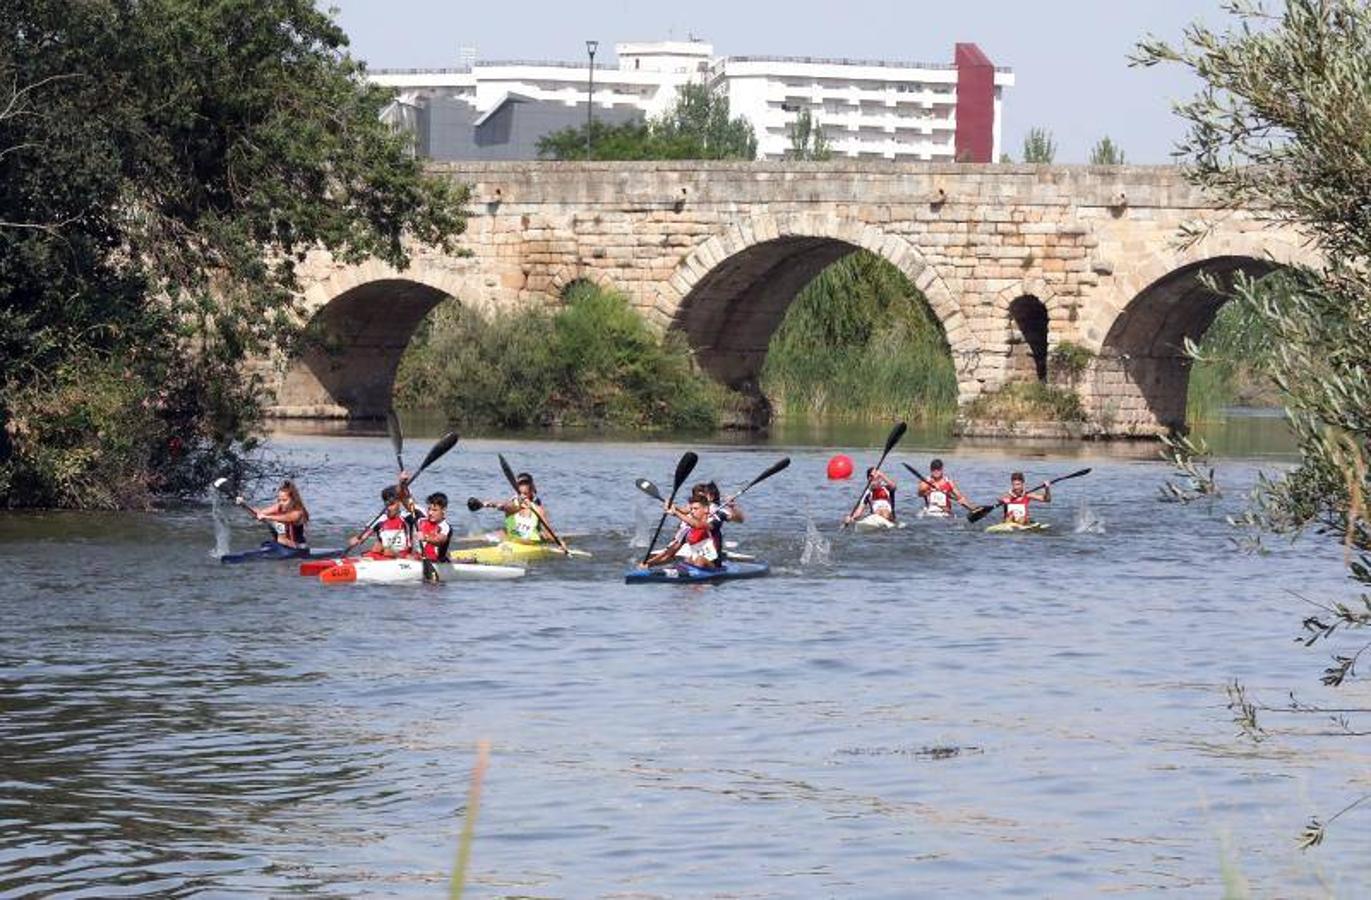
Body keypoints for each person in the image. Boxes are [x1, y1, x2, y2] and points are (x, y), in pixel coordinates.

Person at [642, 489, 719, 569]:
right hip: (696, 564)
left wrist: (675, 512)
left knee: (699, 560)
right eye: (691, 509)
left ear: (706, 509)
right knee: (687, 560)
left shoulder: (713, 523)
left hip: (714, 566)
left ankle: (693, 576)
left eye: (695, 509)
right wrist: (648, 564)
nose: (692, 512)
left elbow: (697, 525)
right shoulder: (687, 531)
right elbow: (668, 554)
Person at [477, 472, 555, 544]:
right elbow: (503, 505)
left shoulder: (538, 507)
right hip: (512, 537)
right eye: (521, 484)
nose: (524, 486)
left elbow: (549, 532)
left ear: (532, 487)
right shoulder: (513, 503)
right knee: (486, 537)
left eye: (526, 484)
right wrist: (485, 504)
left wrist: (553, 539)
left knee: (545, 534)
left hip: (527, 540)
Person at [348, 476, 417, 558]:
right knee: (376, 548)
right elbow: (363, 537)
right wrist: (356, 540)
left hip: (403, 556)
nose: (389, 508)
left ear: (399, 502)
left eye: (392, 504)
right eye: (387, 505)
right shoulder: (379, 520)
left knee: (385, 550)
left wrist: (402, 485)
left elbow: (412, 504)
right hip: (384, 554)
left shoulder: (407, 517)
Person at [239, 480, 309, 550]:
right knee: (267, 542)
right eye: (279, 500)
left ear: (293, 499)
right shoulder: (279, 507)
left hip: (297, 547)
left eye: (284, 500)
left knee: (275, 523)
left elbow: (287, 517)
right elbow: (259, 513)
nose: (281, 503)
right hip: (281, 544)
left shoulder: (298, 512)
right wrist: (244, 505)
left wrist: (266, 517)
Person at [416, 492, 452, 563]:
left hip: (436, 562)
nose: (430, 513)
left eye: (434, 510)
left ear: (443, 510)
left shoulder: (445, 527)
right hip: (418, 559)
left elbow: (440, 540)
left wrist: (425, 538)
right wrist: (402, 485)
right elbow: (406, 501)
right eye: (429, 509)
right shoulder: (421, 519)